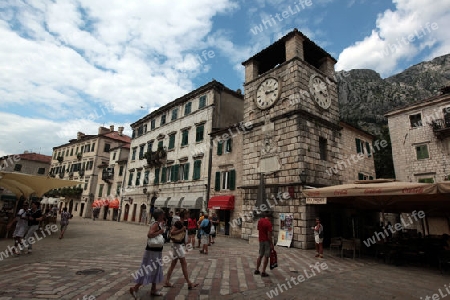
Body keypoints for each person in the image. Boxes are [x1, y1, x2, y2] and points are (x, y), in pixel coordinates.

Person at [130, 209, 166, 298]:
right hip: (152, 252)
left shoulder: (157, 223)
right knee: (149, 268)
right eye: (162, 215)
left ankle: (153, 289)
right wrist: (160, 232)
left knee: (155, 269)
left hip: (156, 251)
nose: (163, 216)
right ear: (159, 216)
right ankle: (135, 288)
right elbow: (149, 234)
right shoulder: (156, 224)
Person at [164, 219, 199, 290]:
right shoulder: (178, 223)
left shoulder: (182, 223)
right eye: (186, 215)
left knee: (173, 264)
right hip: (177, 246)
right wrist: (182, 229)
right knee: (184, 263)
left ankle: (167, 281)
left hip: (178, 246)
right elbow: (172, 232)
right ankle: (189, 283)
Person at [254, 211, 273, 277]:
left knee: (260, 255)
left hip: (261, 240)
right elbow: (269, 235)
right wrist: (271, 244)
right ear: (269, 217)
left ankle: (257, 269)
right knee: (266, 256)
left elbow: (258, 229)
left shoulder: (260, 221)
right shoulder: (269, 223)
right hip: (266, 241)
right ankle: (263, 271)